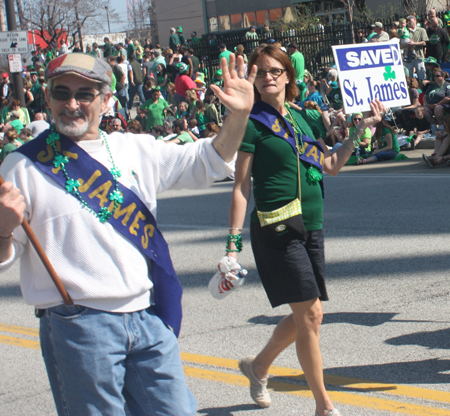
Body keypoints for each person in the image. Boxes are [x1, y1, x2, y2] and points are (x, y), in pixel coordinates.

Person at [0, 52, 256, 416]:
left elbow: (208, 162)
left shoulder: (134, 148)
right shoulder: (22, 165)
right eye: (61, 93)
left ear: (106, 100)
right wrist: (3, 228)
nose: (71, 104)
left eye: (85, 94)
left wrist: (239, 116)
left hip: (146, 317)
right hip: (79, 325)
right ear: (48, 97)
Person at [226, 44, 383, 416]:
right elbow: (240, 187)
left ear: (287, 77)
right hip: (276, 228)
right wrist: (232, 245)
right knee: (311, 314)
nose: (267, 78)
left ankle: (259, 365)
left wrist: (361, 130)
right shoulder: (251, 123)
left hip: (311, 224)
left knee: (306, 315)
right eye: (260, 71)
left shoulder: (302, 119)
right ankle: (323, 406)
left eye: (274, 71)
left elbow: (330, 165)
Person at [402, 15, 428, 79]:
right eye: (407, 21)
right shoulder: (406, 31)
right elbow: (401, 45)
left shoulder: (422, 30)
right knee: (408, 77)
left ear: (415, 20)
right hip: (408, 58)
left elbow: (424, 42)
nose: (408, 23)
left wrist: (414, 43)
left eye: (410, 21)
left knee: (422, 76)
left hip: (419, 57)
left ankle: (422, 88)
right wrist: (408, 45)